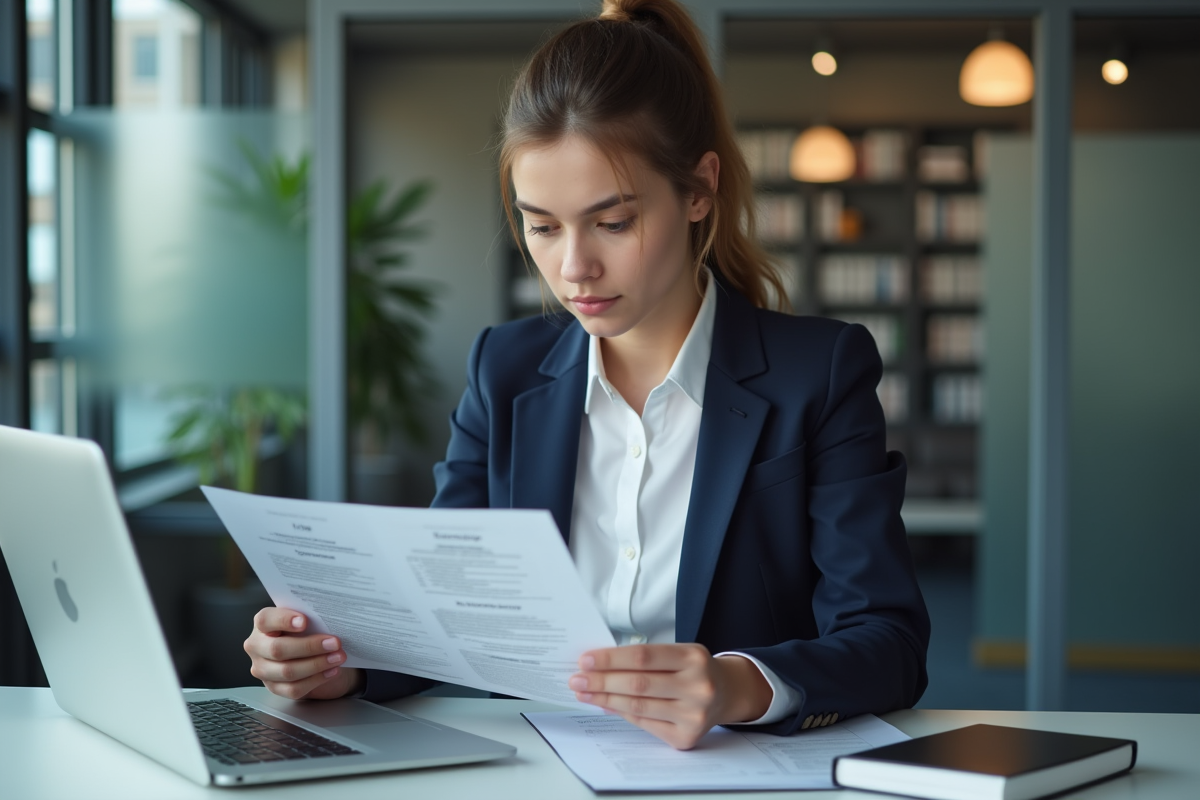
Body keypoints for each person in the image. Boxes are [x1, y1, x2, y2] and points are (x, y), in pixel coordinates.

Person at [245, 0, 930, 751]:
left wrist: (736, 684)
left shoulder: (819, 373)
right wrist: (339, 665)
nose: (574, 268)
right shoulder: (503, 372)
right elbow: (447, 610)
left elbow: (889, 642)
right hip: (533, 766)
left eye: (613, 222)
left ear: (699, 191)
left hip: (733, 772)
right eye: (542, 226)